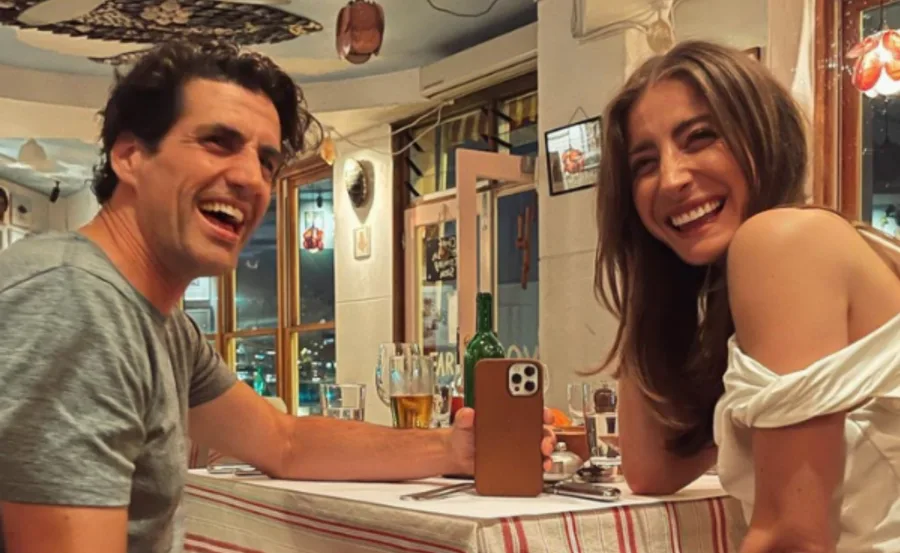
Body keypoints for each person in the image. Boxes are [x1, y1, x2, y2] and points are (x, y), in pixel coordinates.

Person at [0, 40, 555, 553]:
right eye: (218, 142)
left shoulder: (160, 324)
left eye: (266, 161)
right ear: (130, 157)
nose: (252, 178)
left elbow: (284, 442)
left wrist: (456, 449)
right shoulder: (75, 302)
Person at [593, 41, 900, 553]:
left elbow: (791, 538)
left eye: (700, 138)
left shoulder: (783, 243)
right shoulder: (814, 249)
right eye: (644, 164)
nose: (671, 178)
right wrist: (650, 281)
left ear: (764, 135)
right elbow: (651, 470)